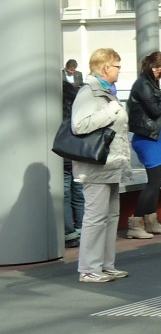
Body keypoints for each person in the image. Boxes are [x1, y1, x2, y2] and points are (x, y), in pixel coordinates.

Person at [71, 48, 134, 284]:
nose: (120, 70)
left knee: (110, 216)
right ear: (105, 67)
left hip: (111, 165)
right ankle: (89, 268)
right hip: (97, 166)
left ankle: (105, 266)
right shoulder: (90, 93)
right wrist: (110, 111)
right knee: (96, 217)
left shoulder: (106, 92)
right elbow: (80, 125)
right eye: (117, 65)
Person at [126, 51, 161, 239]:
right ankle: (135, 224)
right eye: (157, 67)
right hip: (150, 141)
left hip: (158, 141)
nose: (158, 72)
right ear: (148, 65)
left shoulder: (150, 83)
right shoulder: (142, 84)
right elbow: (156, 110)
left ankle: (151, 221)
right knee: (154, 182)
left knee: (157, 183)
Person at [61, 65, 85, 248]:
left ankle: (69, 233)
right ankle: (82, 229)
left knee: (64, 194)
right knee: (78, 193)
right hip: (77, 154)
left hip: (61, 156)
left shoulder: (54, 113)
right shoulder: (76, 108)